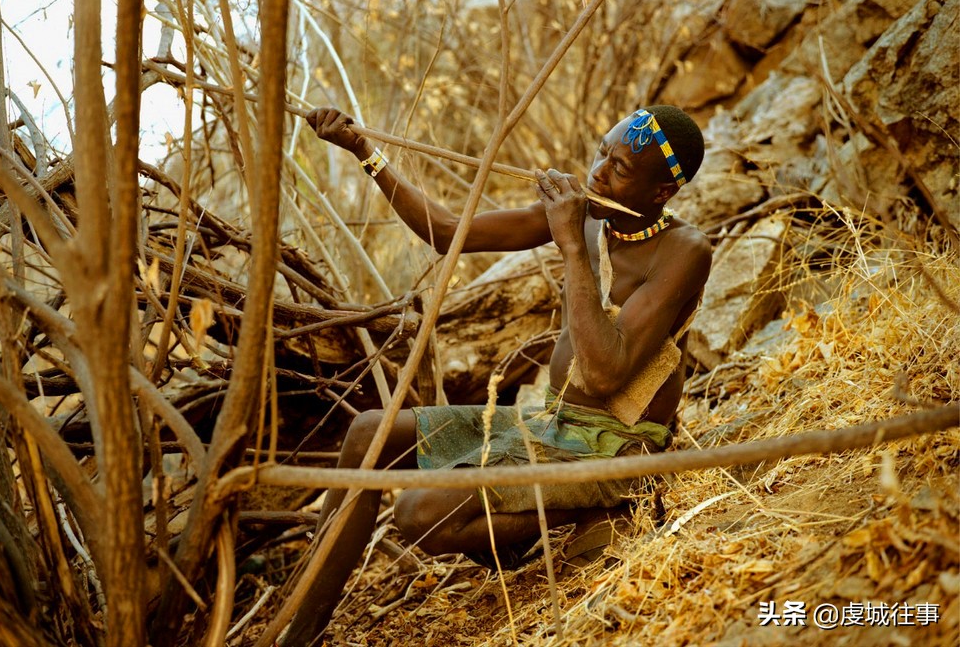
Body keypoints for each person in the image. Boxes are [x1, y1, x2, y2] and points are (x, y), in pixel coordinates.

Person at [284, 105, 710, 645]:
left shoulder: (684, 250)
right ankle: (301, 628)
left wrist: (572, 245)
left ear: (660, 193)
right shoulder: (591, 215)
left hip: (616, 449)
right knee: (368, 433)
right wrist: (365, 154)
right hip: (553, 425)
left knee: (418, 513)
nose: (599, 171)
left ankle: (607, 506)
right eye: (603, 151)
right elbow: (445, 232)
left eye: (620, 168)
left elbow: (604, 375)